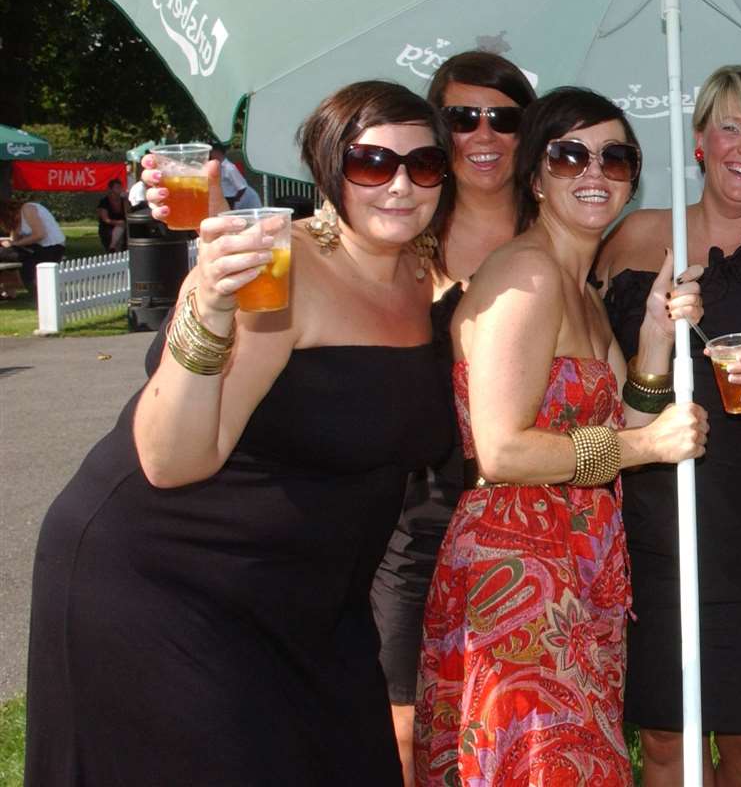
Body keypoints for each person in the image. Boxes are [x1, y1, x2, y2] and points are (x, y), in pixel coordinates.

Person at [25, 81, 458, 785]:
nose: (401, 184)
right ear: (328, 171)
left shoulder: (421, 273)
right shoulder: (276, 269)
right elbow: (171, 460)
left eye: (425, 164)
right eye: (372, 164)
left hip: (312, 606)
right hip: (170, 582)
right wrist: (207, 306)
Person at [415, 87, 710, 786]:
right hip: (518, 571)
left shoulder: (581, 291)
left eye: (615, 158)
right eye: (569, 154)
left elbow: (626, 427)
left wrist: (654, 342)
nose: (594, 172)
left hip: (579, 569)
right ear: (536, 176)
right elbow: (504, 450)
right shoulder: (528, 272)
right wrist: (648, 446)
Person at [597, 63, 741, 787]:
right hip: (652, 512)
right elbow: (589, 366)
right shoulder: (633, 237)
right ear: (698, 141)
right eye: (729, 127)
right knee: (663, 738)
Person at [371, 50, 536, 785]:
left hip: (530, 530)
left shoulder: (568, 238)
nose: (483, 134)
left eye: (503, 118)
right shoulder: (397, 243)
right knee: (404, 738)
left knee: (514, 739)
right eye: (462, 117)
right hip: (416, 522)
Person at [0, 198, 68, 291]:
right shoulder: (14, 221)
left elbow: (39, 235)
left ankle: (9, 285)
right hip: (36, 248)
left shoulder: (28, 209)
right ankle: (9, 289)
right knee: (5, 253)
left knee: (8, 255)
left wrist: (15, 244)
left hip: (51, 247)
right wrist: (9, 242)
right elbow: (13, 240)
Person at [211, 142, 263, 209]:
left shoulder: (229, 168)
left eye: (211, 152)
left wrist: (235, 200)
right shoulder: (219, 167)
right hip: (231, 199)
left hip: (246, 200)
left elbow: (242, 187)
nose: (210, 155)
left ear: (217, 152)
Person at [95, 179, 129, 251]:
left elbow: (127, 216)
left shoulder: (124, 201)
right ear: (110, 189)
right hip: (107, 228)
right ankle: (112, 247)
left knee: (124, 228)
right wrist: (118, 222)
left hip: (123, 227)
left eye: (120, 187)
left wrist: (126, 201)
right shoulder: (104, 202)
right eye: (117, 187)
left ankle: (113, 248)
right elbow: (105, 219)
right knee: (121, 227)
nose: (120, 189)